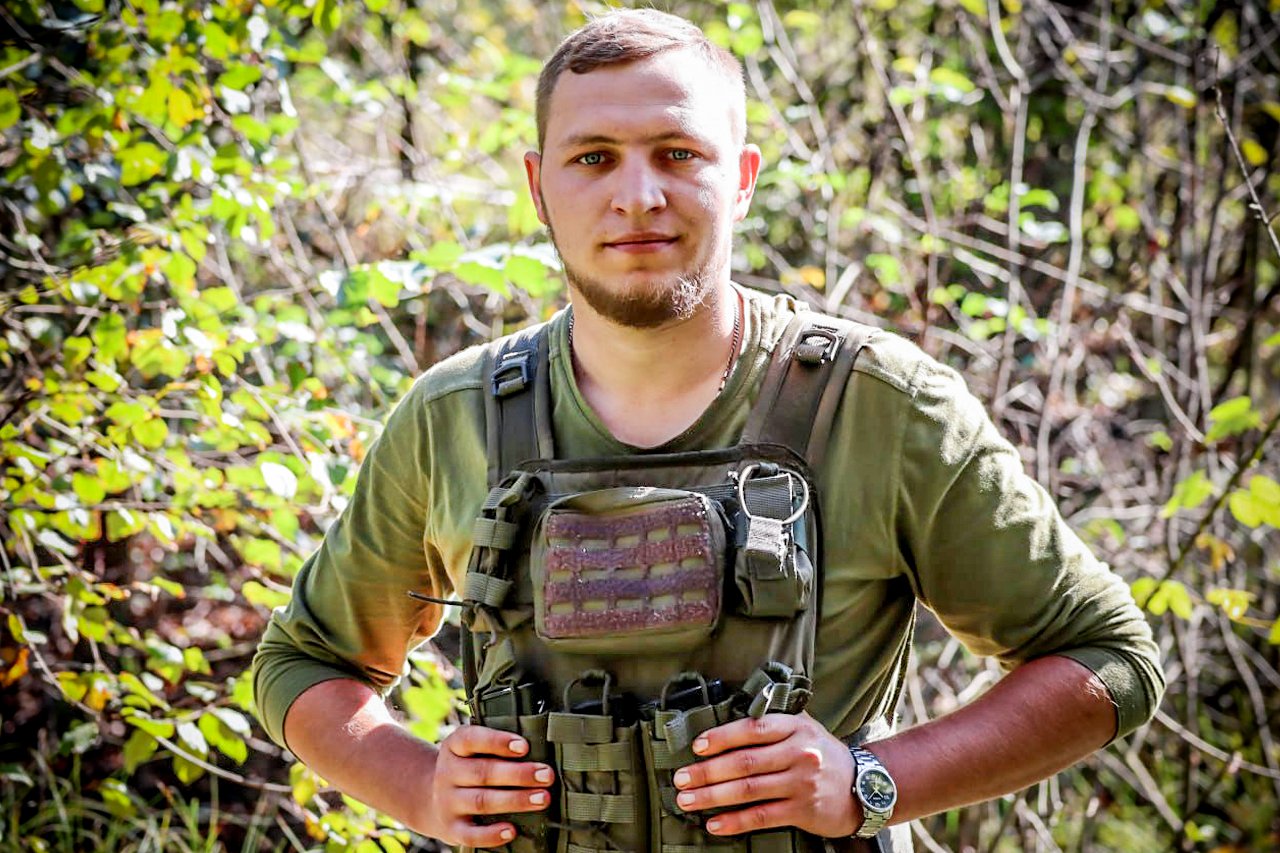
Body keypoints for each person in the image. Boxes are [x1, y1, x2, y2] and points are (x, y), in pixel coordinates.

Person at [252, 9, 1164, 852]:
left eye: (678, 152)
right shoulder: (452, 416)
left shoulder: (881, 404)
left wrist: (870, 781)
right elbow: (302, 661)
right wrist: (416, 784)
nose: (638, 195)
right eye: (593, 157)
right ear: (538, 186)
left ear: (743, 178)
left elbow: (1108, 658)